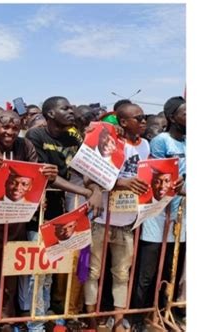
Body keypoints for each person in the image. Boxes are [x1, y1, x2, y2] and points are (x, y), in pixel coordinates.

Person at [24, 96, 103, 328]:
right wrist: (85, 192)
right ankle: (35, 323)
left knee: (51, 269)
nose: (71, 111)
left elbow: (86, 169)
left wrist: (95, 189)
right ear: (50, 114)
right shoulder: (35, 136)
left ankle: (47, 314)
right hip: (39, 210)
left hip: (61, 212)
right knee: (37, 273)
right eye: (65, 108)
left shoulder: (73, 136)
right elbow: (48, 175)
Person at [0, 110, 58, 332]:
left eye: (14, 128)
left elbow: (36, 173)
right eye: (5, 127)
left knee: (10, 277)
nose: (10, 132)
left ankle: (6, 320)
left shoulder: (26, 146)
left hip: (16, 222)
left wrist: (47, 176)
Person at [84, 103, 150, 332]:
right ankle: (91, 318)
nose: (144, 122)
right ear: (123, 122)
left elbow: (145, 177)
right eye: (138, 118)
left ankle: (119, 320)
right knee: (93, 272)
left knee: (122, 274)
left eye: (145, 118)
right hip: (102, 219)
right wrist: (122, 183)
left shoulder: (146, 145)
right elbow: (88, 179)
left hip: (127, 221)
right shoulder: (111, 142)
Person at [132, 96, 186, 331]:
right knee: (148, 270)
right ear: (172, 117)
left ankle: (165, 311)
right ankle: (137, 316)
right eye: (186, 113)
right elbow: (158, 174)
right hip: (158, 213)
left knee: (172, 267)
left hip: (182, 214)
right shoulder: (161, 141)